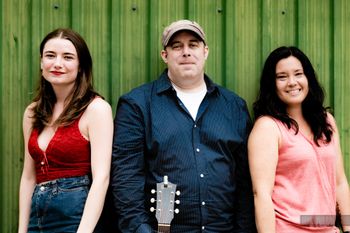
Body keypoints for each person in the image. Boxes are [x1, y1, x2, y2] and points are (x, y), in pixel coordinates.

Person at [111, 19, 256, 232]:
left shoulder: (234, 106)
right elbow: (126, 178)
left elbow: (246, 179)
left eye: (193, 44)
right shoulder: (137, 104)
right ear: (165, 55)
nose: (186, 52)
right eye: (177, 46)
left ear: (205, 51)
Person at [18, 28, 113, 233]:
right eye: (50, 56)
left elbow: (101, 177)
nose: (57, 63)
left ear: (81, 66)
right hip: (37, 220)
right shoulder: (32, 113)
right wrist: (22, 230)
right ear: (41, 62)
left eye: (68, 57)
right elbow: (28, 177)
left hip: (76, 220)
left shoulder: (96, 109)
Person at [248, 46, 350, 233]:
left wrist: (348, 227)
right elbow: (262, 194)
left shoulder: (326, 121)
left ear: (308, 78)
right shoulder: (268, 127)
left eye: (298, 74)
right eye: (282, 77)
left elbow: (339, 181)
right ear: (272, 84)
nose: (292, 82)